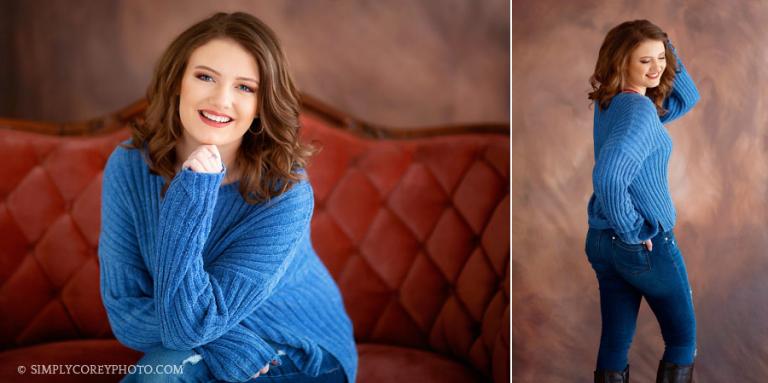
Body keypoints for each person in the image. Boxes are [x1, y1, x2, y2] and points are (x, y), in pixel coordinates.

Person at [98, 12, 357, 382]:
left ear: (260, 106)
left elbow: (191, 326)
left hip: (298, 351)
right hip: (213, 342)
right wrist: (226, 342)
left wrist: (193, 192)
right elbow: (125, 309)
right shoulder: (129, 165)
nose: (221, 100)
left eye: (245, 88)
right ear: (177, 83)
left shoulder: (285, 192)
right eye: (205, 77)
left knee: (162, 372)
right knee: (163, 370)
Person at [585, 19, 700, 383]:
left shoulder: (612, 103)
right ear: (622, 63)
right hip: (641, 246)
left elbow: (687, 98)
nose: (657, 69)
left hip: (602, 241)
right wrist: (634, 231)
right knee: (682, 341)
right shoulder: (640, 112)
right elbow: (608, 176)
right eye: (645, 61)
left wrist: (666, 46)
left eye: (660, 58)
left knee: (615, 344)